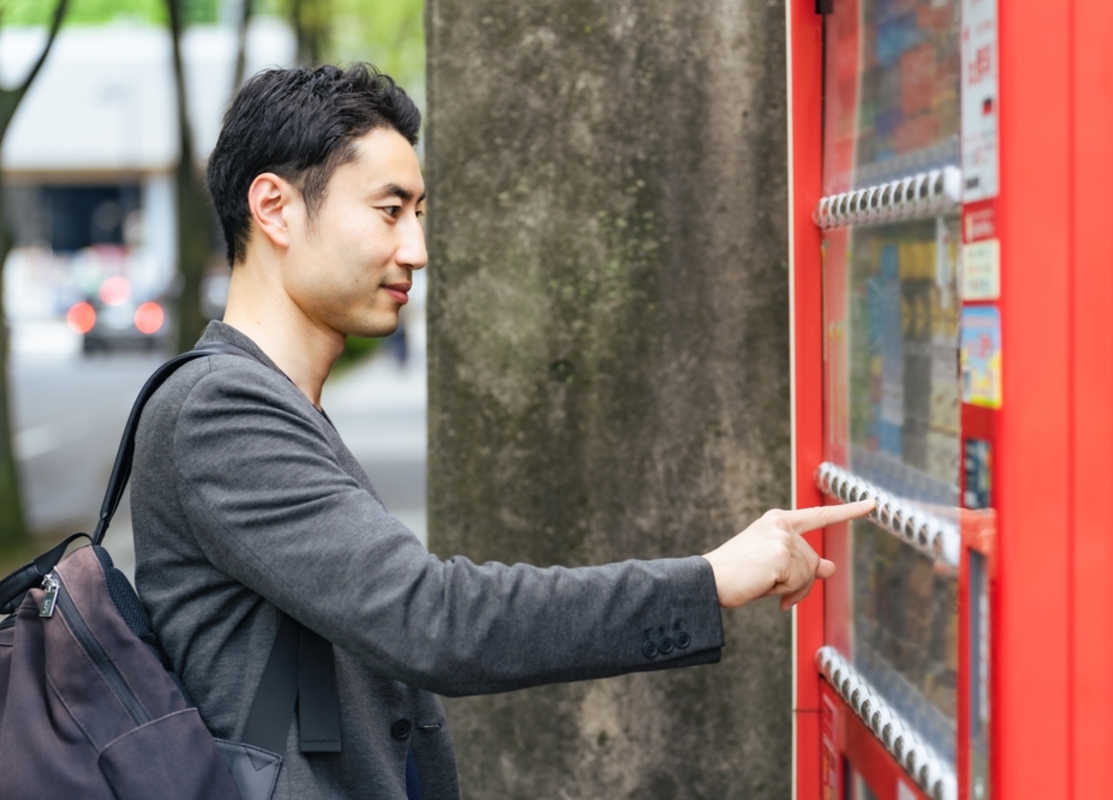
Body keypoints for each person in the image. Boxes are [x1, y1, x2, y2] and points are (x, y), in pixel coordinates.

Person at [130, 64, 873, 800]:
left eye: (419, 214)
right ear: (276, 208)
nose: (417, 249)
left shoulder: (275, 402)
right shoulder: (219, 409)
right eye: (390, 211)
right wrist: (706, 581)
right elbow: (433, 620)